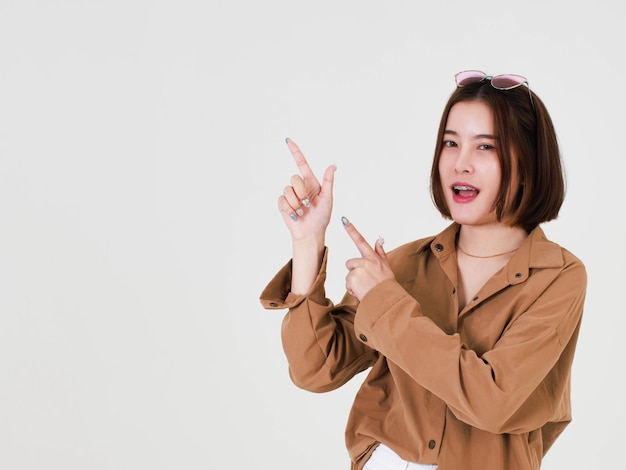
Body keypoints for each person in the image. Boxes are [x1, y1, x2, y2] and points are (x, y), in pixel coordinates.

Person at [259, 70, 587, 470]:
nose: (460, 163)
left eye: (485, 147)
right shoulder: (405, 265)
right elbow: (316, 369)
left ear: (528, 160)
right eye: (451, 143)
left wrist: (387, 303)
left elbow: (492, 400)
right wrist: (307, 242)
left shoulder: (558, 277)